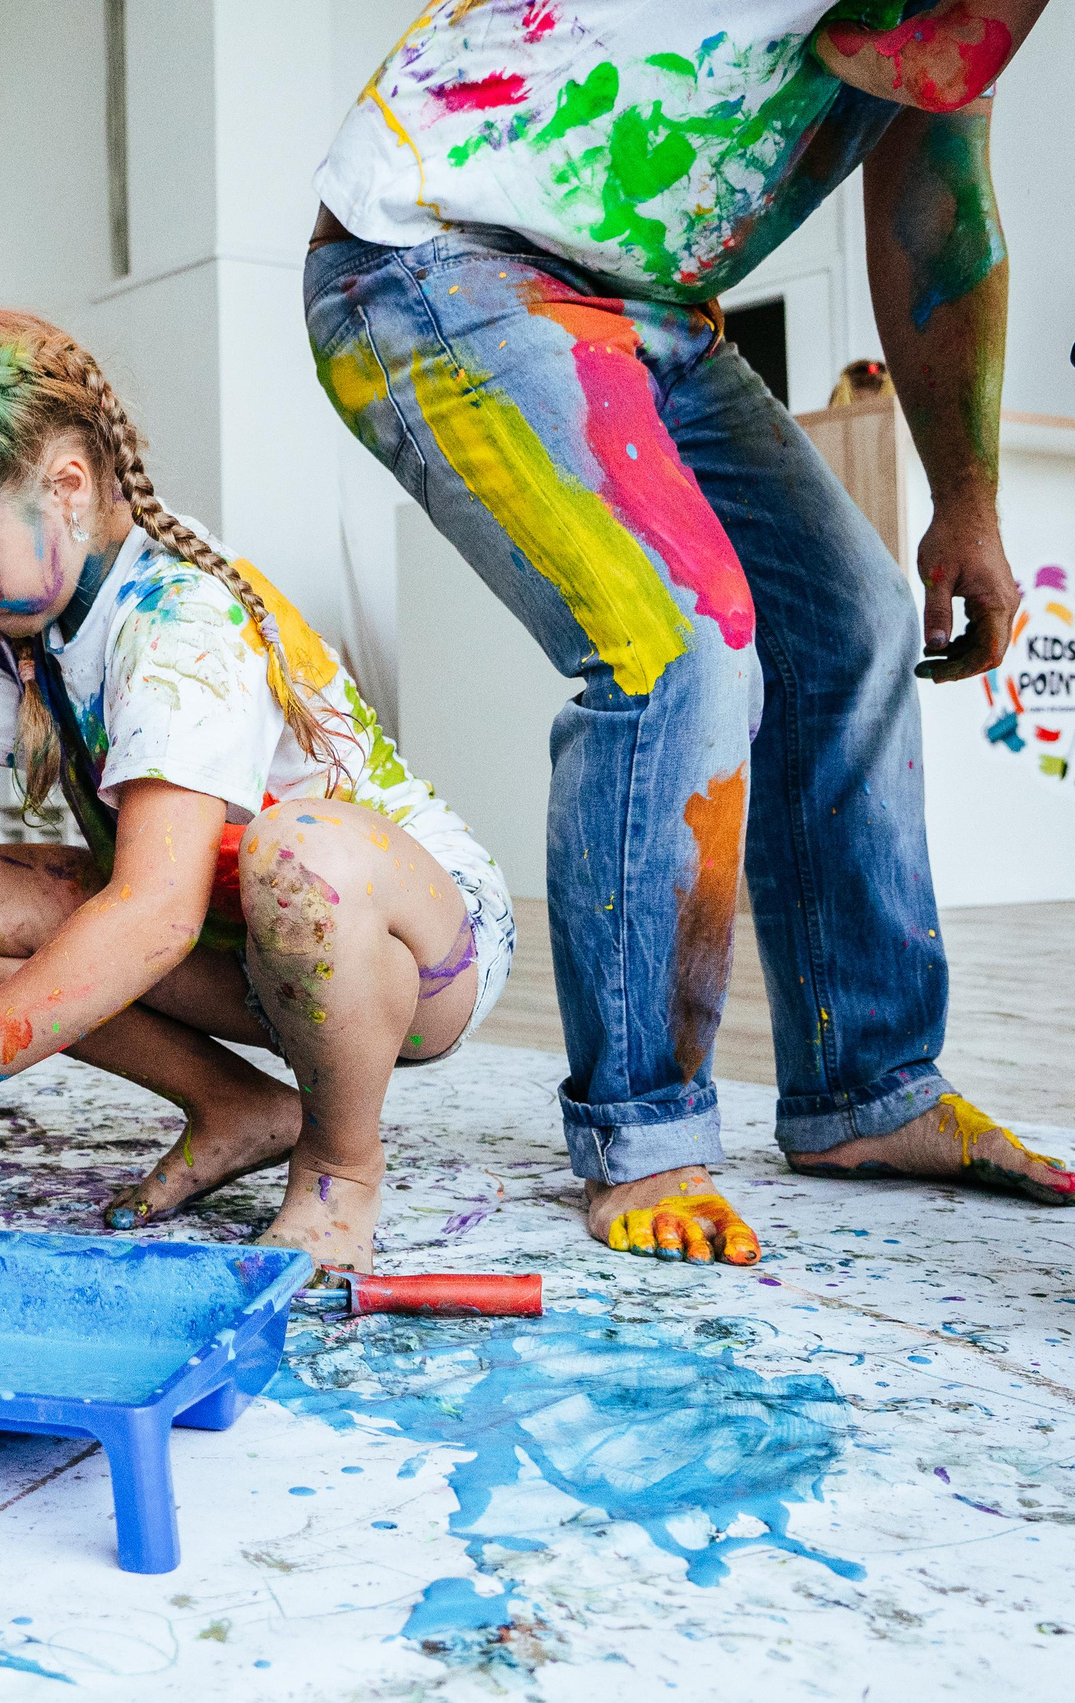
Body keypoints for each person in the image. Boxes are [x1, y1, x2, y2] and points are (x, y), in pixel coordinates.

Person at [304, 0, 1067, 1266]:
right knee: (676, 644)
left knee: (854, 620)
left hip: (650, 305)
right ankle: (643, 1131)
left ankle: (866, 1090)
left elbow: (938, 209)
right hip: (435, 256)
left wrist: (966, 500)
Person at [0, 310, 515, 1271]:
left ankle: (340, 1163)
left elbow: (153, 916)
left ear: (67, 488)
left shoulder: (178, 625)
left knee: (296, 858)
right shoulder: (14, 626)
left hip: (411, 963)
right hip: (248, 950)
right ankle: (240, 1106)